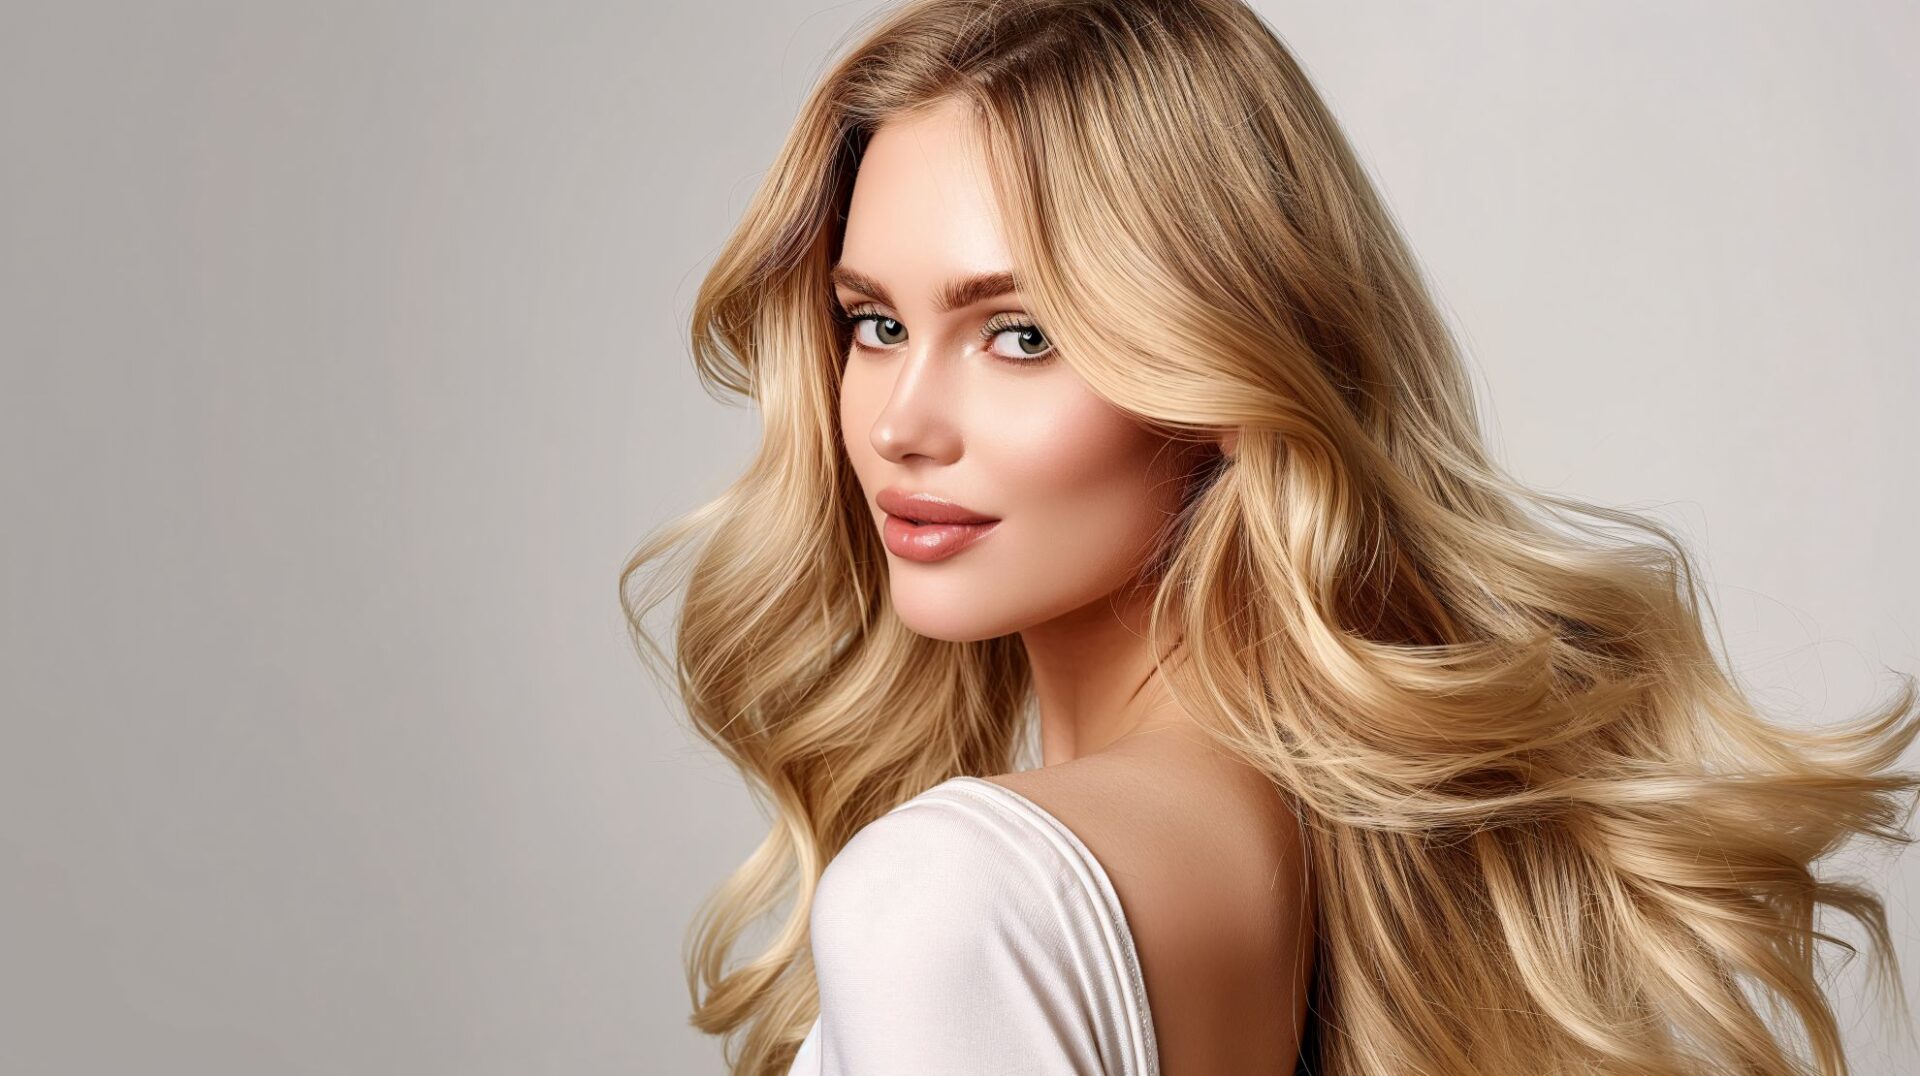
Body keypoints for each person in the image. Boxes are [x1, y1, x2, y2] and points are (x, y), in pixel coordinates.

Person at [621, 2, 1920, 1073]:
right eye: (873, 324)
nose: (903, 423)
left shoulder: (948, 900)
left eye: (1022, 335)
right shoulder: (1327, 859)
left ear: (1225, 376)